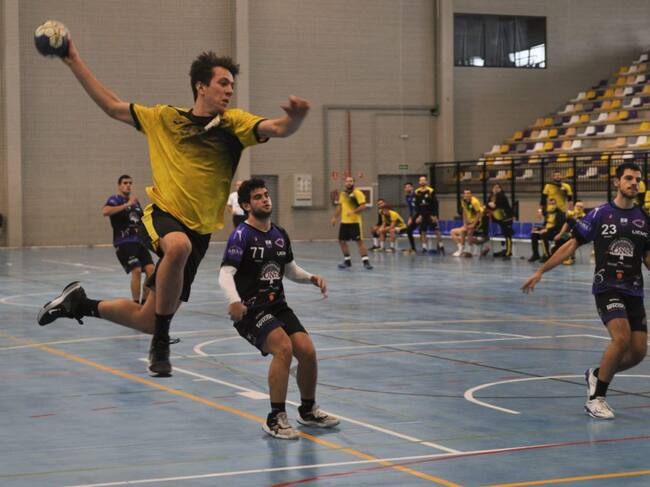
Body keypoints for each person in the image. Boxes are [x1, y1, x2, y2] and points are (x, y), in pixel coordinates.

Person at [36, 34, 310, 378]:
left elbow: (279, 128)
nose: (229, 90)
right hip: (164, 216)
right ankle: (162, 341)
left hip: (200, 233)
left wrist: (296, 119)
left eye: (232, 85)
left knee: (147, 318)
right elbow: (112, 106)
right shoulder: (164, 118)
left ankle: (79, 303)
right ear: (201, 86)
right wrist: (73, 59)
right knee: (177, 247)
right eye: (223, 83)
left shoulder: (234, 124)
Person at [522, 162, 650, 420]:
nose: (633, 183)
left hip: (634, 290)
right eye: (628, 178)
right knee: (621, 338)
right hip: (607, 287)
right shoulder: (600, 214)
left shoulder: (644, 219)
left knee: (638, 352)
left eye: (637, 179)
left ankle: (597, 374)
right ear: (617, 182)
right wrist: (541, 271)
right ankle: (596, 398)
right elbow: (571, 245)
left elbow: (647, 256)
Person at [219, 179, 340, 439]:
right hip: (251, 311)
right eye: (258, 197)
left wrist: (310, 278)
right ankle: (275, 418)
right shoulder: (241, 235)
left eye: (266, 194)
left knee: (307, 351)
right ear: (246, 205)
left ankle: (307, 410)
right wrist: (234, 300)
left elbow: (289, 270)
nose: (265, 199)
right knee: (283, 348)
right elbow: (225, 273)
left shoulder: (280, 234)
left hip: (277, 306)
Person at [103, 175, 155, 303]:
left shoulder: (135, 203)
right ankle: (135, 304)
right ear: (119, 185)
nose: (128, 185)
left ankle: (144, 304)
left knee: (151, 271)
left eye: (130, 183)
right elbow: (106, 211)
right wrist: (127, 204)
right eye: (125, 183)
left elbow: (142, 220)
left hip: (139, 242)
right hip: (124, 242)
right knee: (136, 270)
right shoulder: (115, 199)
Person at [331, 176, 373, 269]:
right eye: (347, 181)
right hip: (344, 222)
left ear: (353, 182)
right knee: (341, 241)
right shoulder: (343, 194)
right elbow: (339, 207)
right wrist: (334, 217)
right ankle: (347, 261)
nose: (349, 183)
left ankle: (366, 262)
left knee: (359, 242)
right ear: (345, 183)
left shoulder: (357, 193)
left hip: (355, 222)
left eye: (351, 181)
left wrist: (353, 212)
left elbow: (363, 206)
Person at [413, 175, 444, 254]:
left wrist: (435, 215)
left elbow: (435, 204)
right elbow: (417, 205)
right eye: (421, 180)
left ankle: (441, 246)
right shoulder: (417, 192)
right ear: (419, 182)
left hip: (430, 214)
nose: (422, 181)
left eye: (424, 180)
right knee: (423, 231)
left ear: (426, 181)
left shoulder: (431, 191)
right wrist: (419, 216)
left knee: (436, 230)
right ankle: (424, 248)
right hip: (422, 215)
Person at [529, 198, 565, 263]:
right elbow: (545, 224)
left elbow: (558, 226)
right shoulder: (547, 212)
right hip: (547, 230)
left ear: (556, 204)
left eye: (553, 204)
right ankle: (535, 255)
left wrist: (547, 230)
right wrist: (538, 229)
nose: (552, 205)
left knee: (543, 235)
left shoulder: (560, 213)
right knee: (534, 234)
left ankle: (546, 255)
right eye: (550, 204)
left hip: (555, 232)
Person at [552, 200, 586, 265]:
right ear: (574, 206)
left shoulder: (585, 217)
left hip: (579, 235)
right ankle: (561, 256)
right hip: (569, 234)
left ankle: (571, 258)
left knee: (571, 239)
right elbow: (566, 224)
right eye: (577, 206)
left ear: (583, 208)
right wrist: (560, 234)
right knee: (559, 239)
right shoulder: (571, 215)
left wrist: (577, 220)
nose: (579, 208)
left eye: (581, 207)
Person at [450, 189, 482, 257]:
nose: (467, 195)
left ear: (471, 194)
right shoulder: (463, 201)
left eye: (468, 193)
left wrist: (473, 224)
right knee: (452, 232)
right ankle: (461, 248)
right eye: (465, 193)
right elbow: (464, 212)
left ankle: (469, 250)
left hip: (478, 222)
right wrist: (465, 223)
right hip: (469, 222)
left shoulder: (475, 202)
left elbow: (478, 214)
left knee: (468, 232)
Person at [487, 183, 514, 260]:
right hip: (500, 219)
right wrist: (489, 205)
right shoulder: (491, 196)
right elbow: (488, 204)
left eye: (497, 188)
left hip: (507, 218)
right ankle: (506, 251)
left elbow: (495, 205)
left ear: (500, 189)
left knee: (508, 236)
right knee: (505, 234)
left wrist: (492, 205)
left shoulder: (502, 196)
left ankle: (508, 253)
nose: (495, 189)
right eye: (494, 188)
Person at [402, 182, 418, 255]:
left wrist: (420, 216)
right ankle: (413, 248)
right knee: (409, 230)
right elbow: (411, 208)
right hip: (415, 216)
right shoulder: (407, 197)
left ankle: (440, 246)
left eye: (409, 187)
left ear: (412, 187)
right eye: (406, 187)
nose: (407, 188)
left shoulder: (417, 195)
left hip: (421, 215)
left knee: (423, 230)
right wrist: (410, 217)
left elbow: (420, 207)